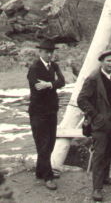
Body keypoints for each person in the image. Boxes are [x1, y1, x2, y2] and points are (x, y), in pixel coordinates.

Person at [77, 50, 111, 201]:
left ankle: (105, 179)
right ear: (102, 62)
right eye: (108, 61)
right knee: (99, 155)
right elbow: (82, 100)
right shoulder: (93, 78)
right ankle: (97, 189)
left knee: (109, 153)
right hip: (100, 125)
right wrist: (96, 116)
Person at [27, 39, 65, 190]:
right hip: (38, 112)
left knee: (50, 143)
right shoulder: (34, 68)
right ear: (40, 52)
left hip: (51, 110)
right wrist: (52, 85)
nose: (50, 54)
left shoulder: (54, 66)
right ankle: (47, 177)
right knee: (43, 144)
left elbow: (62, 81)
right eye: (47, 52)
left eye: (51, 52)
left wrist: (49, 84)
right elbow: (37, 88)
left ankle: (39, 171)